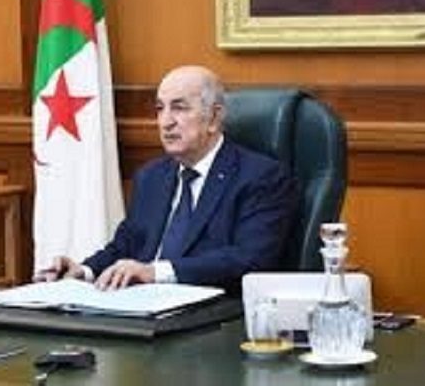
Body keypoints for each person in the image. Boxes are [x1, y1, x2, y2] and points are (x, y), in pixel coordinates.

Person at [35, 65, 297, 293]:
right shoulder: (152, 176)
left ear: (214, 118)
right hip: (143, 308)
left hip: (212, 313)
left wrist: (155, 272)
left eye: (179, 108)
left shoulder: (260, 177)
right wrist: (84, 270)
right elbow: (127, 244)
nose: (165, 122)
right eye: (160, 109)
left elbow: (250, 258)